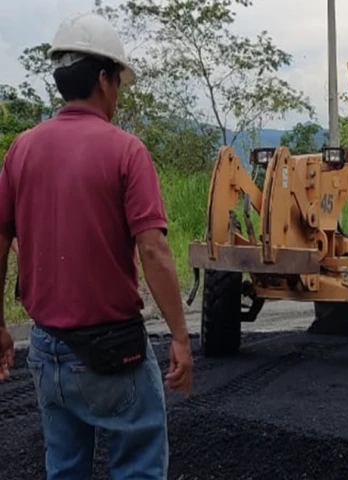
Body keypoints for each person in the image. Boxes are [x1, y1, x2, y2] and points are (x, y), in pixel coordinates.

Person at [0, 12, 193, 479]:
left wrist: (0, 325)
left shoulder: (20, 150)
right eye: (118, 83)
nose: (118, 94)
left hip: (46, 348)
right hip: (115, 352)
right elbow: (153, 250)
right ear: (104, 79)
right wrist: (182, 338)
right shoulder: (126, 151)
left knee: (64, 469)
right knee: (139, 465)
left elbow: (0, 241)